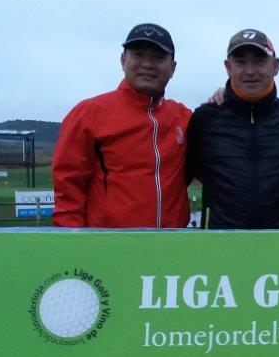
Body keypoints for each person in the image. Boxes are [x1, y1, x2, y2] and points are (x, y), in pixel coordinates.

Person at [186, 29, 279, 229]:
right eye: (240, 61)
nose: (250, 70)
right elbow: (181, 178)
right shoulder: (205, 118)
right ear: (228, 67)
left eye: (259, 60)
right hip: (219, 247)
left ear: (276, 66)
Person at [53, 23, 191, 228]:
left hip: (171, 246)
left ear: (173, 68)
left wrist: (224, 97)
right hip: (109, 246)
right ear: (123, 60)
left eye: (158, 57)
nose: (147, 64)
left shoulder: (184, 117)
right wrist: (73, 242)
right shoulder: (89, 113)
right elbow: (68, 187)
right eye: (138, 55)